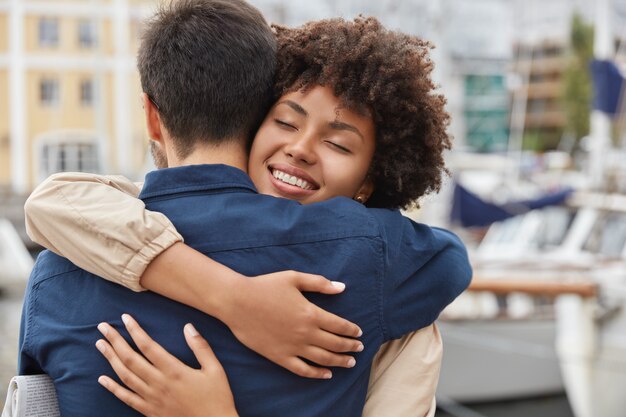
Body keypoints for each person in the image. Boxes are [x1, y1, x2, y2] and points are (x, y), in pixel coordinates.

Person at [21, 2, 471, 417]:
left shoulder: (58, 269)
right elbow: (451, 262)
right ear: (255, 114)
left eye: (337, 143)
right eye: (287, 121)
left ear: (152, 117)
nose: (299, 149)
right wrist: (232, 298)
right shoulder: (379, 262)